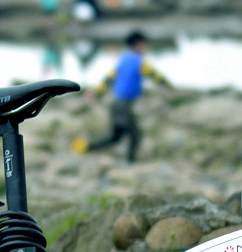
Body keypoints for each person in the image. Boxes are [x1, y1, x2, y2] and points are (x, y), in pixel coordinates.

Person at [72, 31, 169, 163]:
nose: (145, 48)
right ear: (139, 45)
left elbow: (109, 78)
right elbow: (155, 75)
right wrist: (169, 87)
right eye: (144, 45)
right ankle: (127, 160)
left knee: (120, 136)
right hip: (123, 105)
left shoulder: (123, 60)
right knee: (130, 135)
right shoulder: (139, 61)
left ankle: (86, 148)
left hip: (117, 103)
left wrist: (96, 91)